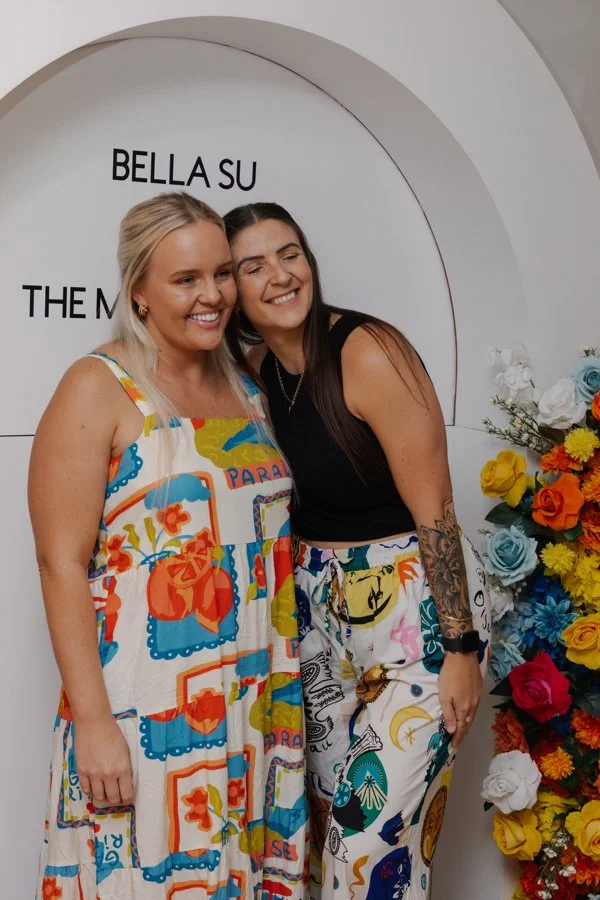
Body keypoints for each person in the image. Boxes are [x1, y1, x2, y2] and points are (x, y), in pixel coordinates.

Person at [29, 192, 307, 899]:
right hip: (149, 710)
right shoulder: (99, 388)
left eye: (220, 274)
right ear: (139, 293)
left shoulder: (248, 388)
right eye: (186, 280)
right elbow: (59, 563)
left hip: (255, 705)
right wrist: (93, 724)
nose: (212, 295)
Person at [223, 202, 491, 900]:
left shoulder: (369, 351)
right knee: (321, 832)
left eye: (290, 254)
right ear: (234, 290)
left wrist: (460, 649)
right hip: (320, 616)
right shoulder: (257, 372)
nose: (280, 276)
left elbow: (436, 511)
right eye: (254, 266)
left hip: (418, 611)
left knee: (364, 840)